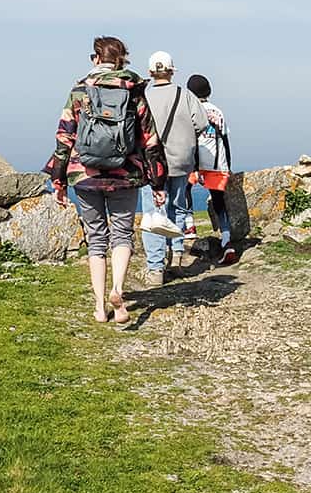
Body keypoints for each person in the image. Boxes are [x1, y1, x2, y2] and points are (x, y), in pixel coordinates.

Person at [46, 37, 168, 324]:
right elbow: (150, 139)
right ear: (122, 59)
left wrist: (59, 180)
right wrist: (158, 183)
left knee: (96, 239)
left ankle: (100, 307)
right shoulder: (134, 91)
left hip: (84, 175)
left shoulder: (80, 91)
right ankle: (118, 290)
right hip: (126, 174)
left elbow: (65, 136)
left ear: (96, 59)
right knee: (122, 235)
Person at [140, 50, 208, 285]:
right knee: (178, 207)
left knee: (153, 213)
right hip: (181, 159)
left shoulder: (144, 97)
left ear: (150, 72)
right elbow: (201, 123)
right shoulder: (185, 95)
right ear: (171, 71)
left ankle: (155, 268)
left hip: (152, 163)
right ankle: (177, 257)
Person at [186, 73, 239, 265]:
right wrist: (228, 165)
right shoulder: (218, 111)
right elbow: (225, 139)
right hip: (218, 163)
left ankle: (189, 226)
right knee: (218, 202)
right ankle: (227, 241)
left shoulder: (190, 110)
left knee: (185, 190)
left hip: (195, 163)